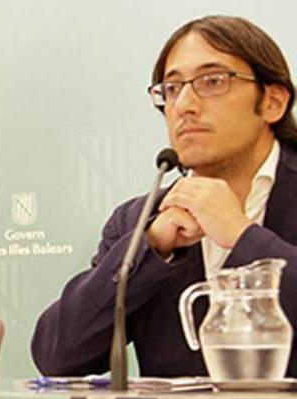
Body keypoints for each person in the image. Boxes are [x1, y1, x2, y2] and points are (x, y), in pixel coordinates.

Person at [32, 15, 297, 377]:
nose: (184, 105)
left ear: (273, 102)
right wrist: (150, 246)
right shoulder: (140, 220)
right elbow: (58, 356)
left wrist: (242, 236)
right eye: (172, 89)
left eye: (213, 81)